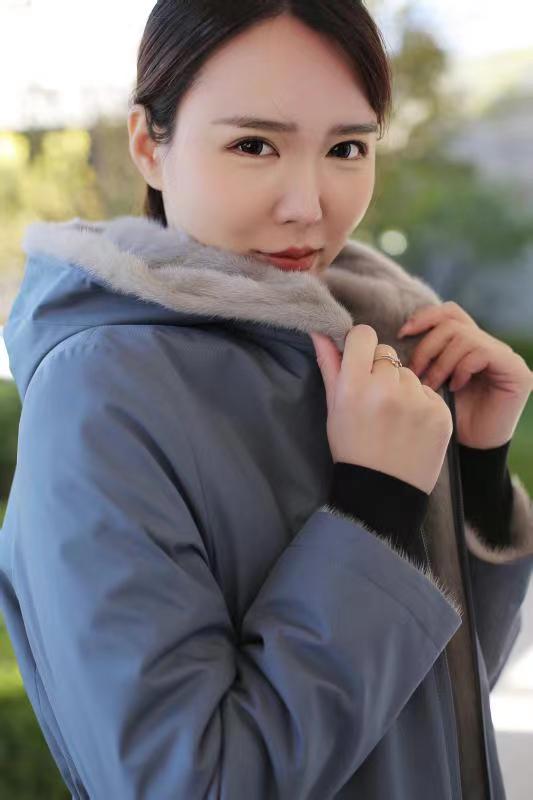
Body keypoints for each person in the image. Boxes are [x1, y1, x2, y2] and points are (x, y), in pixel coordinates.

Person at [0, 2, 532, 798]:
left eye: (346, 147)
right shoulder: (101, 395)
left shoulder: (370, 350)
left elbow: (434, 713)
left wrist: (477, 471)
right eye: (254, 144)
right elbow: (191, 781)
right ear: (148, 145)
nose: (308, 205)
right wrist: (372, 508)